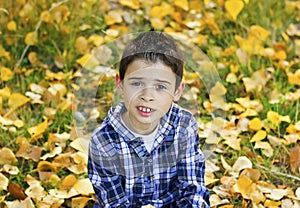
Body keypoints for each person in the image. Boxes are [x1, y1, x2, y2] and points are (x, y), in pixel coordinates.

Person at [88, 31, 210, 207]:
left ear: (177, 91)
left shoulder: (184, 126)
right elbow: (114, 203)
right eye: (137, 83)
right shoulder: (103, 142)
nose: (147, 96)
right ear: (120, 84)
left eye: (160, 86)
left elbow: (192, 188)